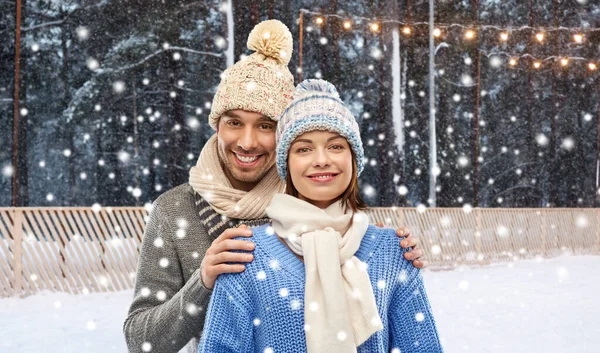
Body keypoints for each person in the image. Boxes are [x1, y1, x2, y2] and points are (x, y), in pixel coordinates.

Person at [124, 20, 423, 353]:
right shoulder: (175, 210)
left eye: (266, 125)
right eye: (234, 122)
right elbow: (141, 341)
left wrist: (373, 247)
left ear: (286, 138)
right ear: (217, 124)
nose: (247, 142)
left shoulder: (309, 197)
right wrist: (203, 280)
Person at [198, 79, 443, 353]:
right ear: (286, 164)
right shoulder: (245, 256)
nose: (322, 159)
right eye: (304, 148)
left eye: (336, 146)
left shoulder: (393, 252)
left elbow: (422, 347)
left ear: (354, 158)